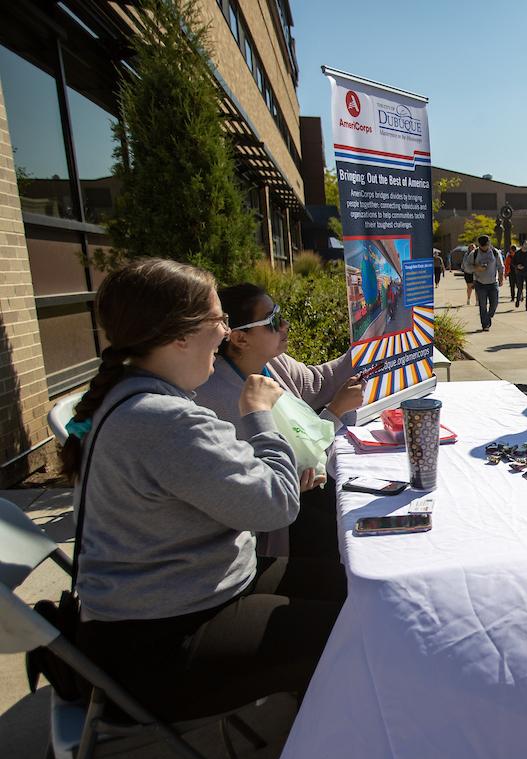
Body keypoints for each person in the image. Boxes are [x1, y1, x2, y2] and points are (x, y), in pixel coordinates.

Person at [61, 258, 346, 723]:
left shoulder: (135, 396)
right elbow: (275, 505)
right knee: (362, 628)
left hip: (189, 594)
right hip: (159, 648)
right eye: (219, 319)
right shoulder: (161, 418)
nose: (225, 332)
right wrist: (257, 415)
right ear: (180, 334)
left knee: (356, 586)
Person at [194, 283, 364, 559]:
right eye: (272, 320)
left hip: (301, 497)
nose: (284, 324)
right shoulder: (220, 397)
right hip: (276, 530)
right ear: (239, 338)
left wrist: (367, 346)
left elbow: (318, 382)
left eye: (280, 313)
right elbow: (293, 464)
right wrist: (335, 411)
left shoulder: (271, 363)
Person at [464, 234, 504, 331]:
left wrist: (501, 277)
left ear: (489, 244)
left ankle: (489, 316)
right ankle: (485, 324)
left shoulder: (495, 252)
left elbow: (500, 266)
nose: (484, 248)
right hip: (480, 283)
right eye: (482, 246)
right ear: (479, 245)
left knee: (494, 304)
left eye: (486, 245)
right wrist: (476, 268)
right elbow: (466, 267)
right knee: (482, 305)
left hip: (493, 283)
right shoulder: (474, 253)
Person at [512, 240, 527, 311]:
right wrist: (517, 266)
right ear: (522, 245)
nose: (526, 246)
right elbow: (513, 263)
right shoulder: (517, 253)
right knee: (520, 288)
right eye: (525, 244)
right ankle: (517, 300)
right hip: (519, 273)